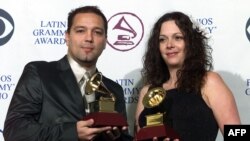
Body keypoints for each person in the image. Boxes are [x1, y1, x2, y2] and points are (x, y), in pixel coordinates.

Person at [3, 6, 133, 141]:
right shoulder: (40, 73)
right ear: (67, 37)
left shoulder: (114, 90)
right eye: (80, 31)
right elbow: (14, 130)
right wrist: (72, 132)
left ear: (105, 41)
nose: (89, 38)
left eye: (97, 32)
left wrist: (117, 137)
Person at [135, 11, 241, 141]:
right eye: (162, 40)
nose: (169, 45)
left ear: (190, 43)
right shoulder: (147, 92)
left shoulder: (209, 82)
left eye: (178, 37)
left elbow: (238, 134)